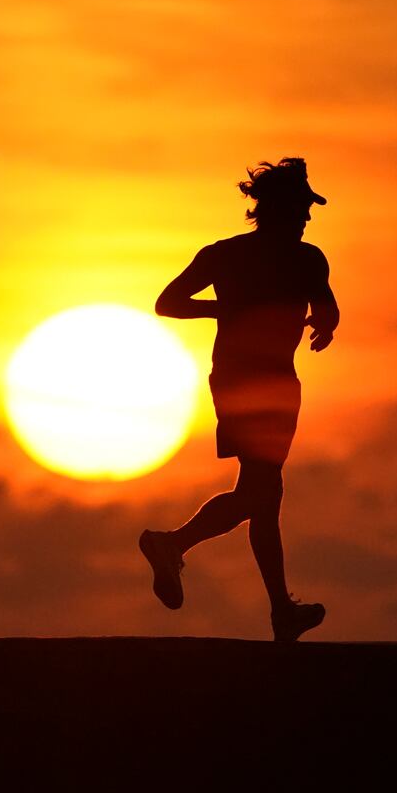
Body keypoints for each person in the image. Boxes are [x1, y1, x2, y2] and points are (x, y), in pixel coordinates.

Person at [139, 157, 339, 642]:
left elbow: (327, 307)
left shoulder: (303, 258)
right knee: (263, 491)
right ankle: (173, 544)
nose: (307, 218)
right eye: (301, 209)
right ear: (278, 208)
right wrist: (223, 307)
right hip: (245, 381)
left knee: (263, 496)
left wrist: (324, 325)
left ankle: (279, 611)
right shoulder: (232, 255)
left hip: (272, 382)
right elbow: (167, 303)